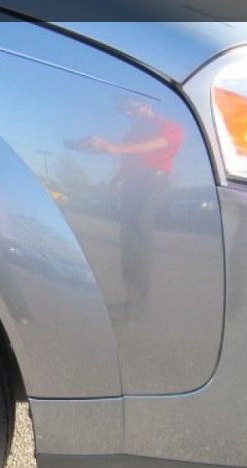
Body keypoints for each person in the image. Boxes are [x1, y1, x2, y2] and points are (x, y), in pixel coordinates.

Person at [68, 97, 183, 321]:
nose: (128, 114)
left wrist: (115, 147)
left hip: (152, 180)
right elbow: (127, 161)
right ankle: (132, 300)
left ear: (146, 105)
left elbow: (164, 142)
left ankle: (138, 306)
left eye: (130, 108)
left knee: (139, 231)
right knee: (128, 238)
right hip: (131, 182)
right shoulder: (131, 134)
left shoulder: (165, 125)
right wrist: (115, 182)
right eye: (125, 112)